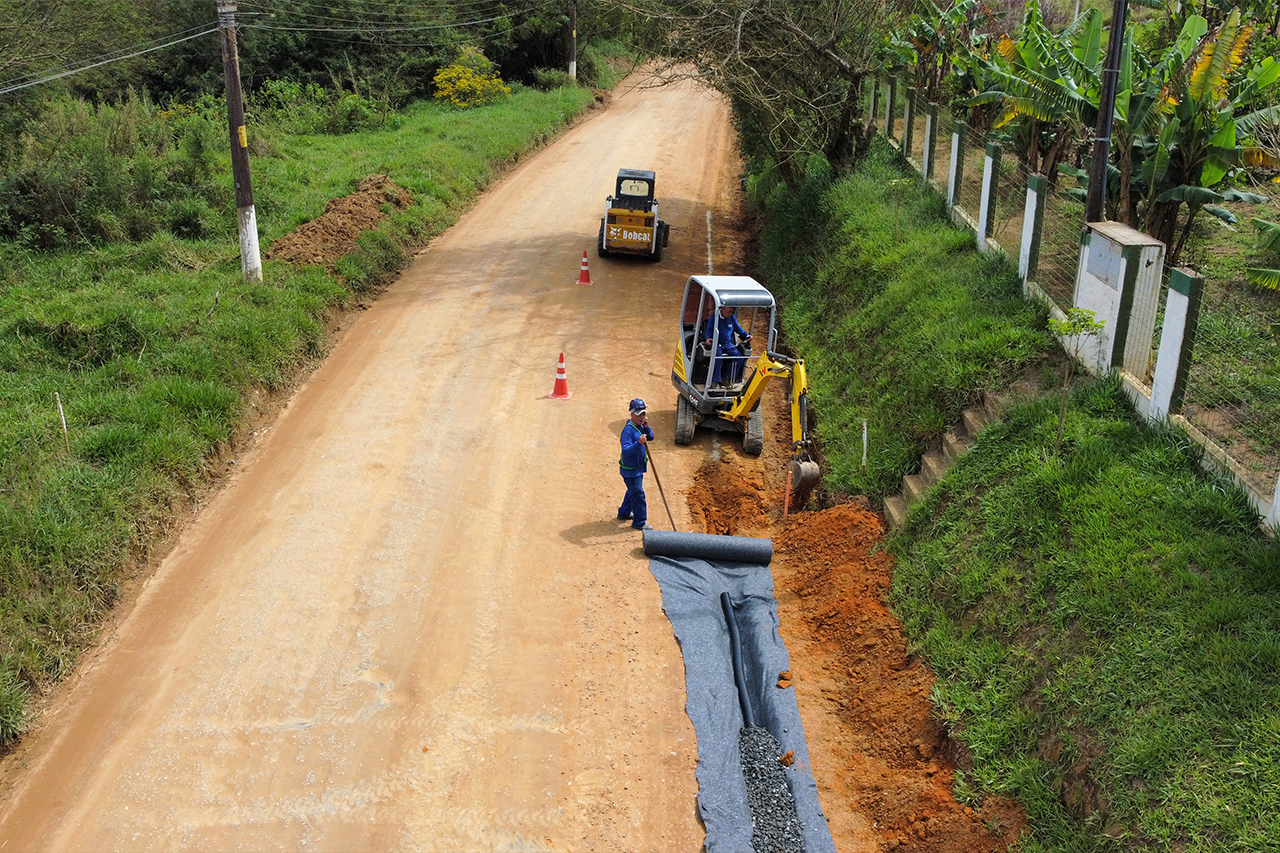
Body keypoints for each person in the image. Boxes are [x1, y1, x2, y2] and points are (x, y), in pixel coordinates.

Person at [618, 398, 655, 530]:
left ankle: (624, 512)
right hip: (630, 470)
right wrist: (638, 443)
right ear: (632, 414)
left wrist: (647, 427)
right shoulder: (628, 431)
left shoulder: (640, 427)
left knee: (632, 491)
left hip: (637, 469)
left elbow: (650, 437)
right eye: (639, 414)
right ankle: (639, 522)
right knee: (638, 494)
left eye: (644, 413)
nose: (642, 417)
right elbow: (626, 451)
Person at [703, 305, 751, 385]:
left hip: (727, 343)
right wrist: (707, 338)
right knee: (718, 358)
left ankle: (727, 377)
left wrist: (746, 335)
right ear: (723, 309)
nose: (730, 314)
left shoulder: (732, 318)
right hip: (716, 343)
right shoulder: (714, 316)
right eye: (729, 312)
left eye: (732, 312)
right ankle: (715, 380)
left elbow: (738, 328)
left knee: (739, 357)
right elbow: (709, 328)